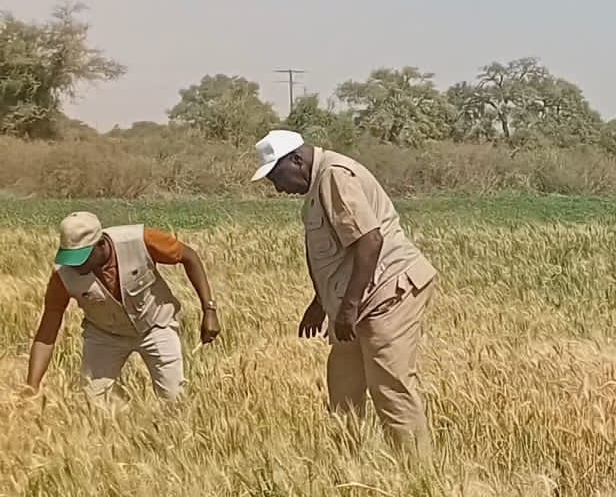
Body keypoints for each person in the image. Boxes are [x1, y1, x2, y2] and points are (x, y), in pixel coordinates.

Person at [250, 129, 439, 457]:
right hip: (357, 300)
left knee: (390, 385)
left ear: (296, 160)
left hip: (387, 293)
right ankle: (348, 465)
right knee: (343, 385)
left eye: (277, 178)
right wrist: (320, 301)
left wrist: (349, 307)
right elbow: (328, 252)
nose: (278, 189)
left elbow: (370, 241)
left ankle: (418, 474)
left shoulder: (334, 176)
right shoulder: (316, 186)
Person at [25, 211, 220, 402]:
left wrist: (209, 309)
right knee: (91, 405)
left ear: (101, 244)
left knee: (173, 399)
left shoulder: (141, 240)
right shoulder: (63, 274)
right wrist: (31, 387)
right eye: (71, 258)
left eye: (81, 257)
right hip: (104, 336)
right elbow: (47, 331)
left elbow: (189, 256)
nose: (75, 265)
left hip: (156, 326)